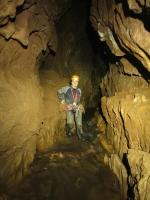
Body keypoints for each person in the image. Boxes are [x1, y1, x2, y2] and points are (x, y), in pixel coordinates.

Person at [57, 75, 85, 141]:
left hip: (77, 108)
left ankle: (80, 136)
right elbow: (59, 92)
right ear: (71, 81)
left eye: (77, 81)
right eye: (74, 81)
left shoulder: (79, 90)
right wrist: (62, 99)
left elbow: (78, 99)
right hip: (69, 108)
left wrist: (78, 104)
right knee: (70, 123)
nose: (75, 83)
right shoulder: (66, 88)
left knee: (79, 124)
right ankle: (68, 131)